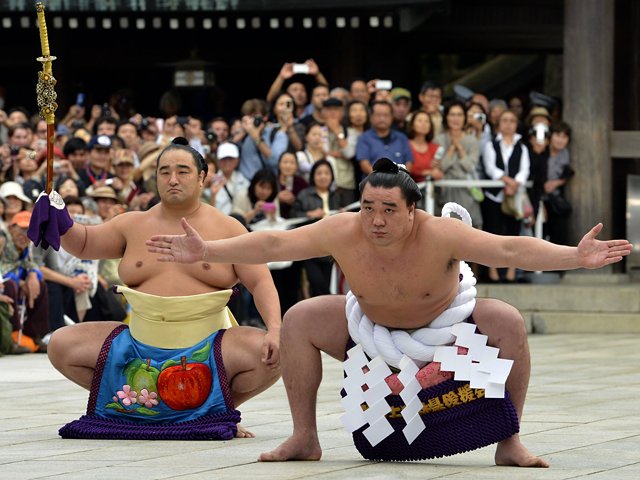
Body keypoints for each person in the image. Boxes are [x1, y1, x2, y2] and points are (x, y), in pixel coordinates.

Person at [146, 157, 631, 467]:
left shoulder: (441, 233)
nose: (376, 220)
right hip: (371, 330)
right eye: (368, 207)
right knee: (301, 318)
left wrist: (574, 256)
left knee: (507, 320)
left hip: (446, 328)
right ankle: (304, 437)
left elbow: (507, 248)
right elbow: (276, 240)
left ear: (414, 209)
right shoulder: (344, 229)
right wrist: (206, 248)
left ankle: (510, 441)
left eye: (389, 209)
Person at [46, 137, 282, 439]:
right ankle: (140, 409)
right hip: (137, 343)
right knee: (61, 344)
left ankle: (214, 410)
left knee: (275, 353)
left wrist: (274, 328)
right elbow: (84, 242)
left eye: (183, 171)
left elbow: (261, 282)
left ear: (202, 178)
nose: (172, 179)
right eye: (164, 171)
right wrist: (58, 215)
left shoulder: (229, 228)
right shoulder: (131, 224)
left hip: (209, 346)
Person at [482, 109, 531, 283]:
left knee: (514, 233)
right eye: (504, 120)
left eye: (512, 120)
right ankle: (493, 271)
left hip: (514, 195)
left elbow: (525, 170)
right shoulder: (491, 145)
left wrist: (514, 184)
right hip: (494, 195)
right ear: (499, 123)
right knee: (492, 233)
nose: (508, 124)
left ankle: (511, 271)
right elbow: (490, 168)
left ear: (516, 124)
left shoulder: (522, 147)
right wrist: (506, 180)